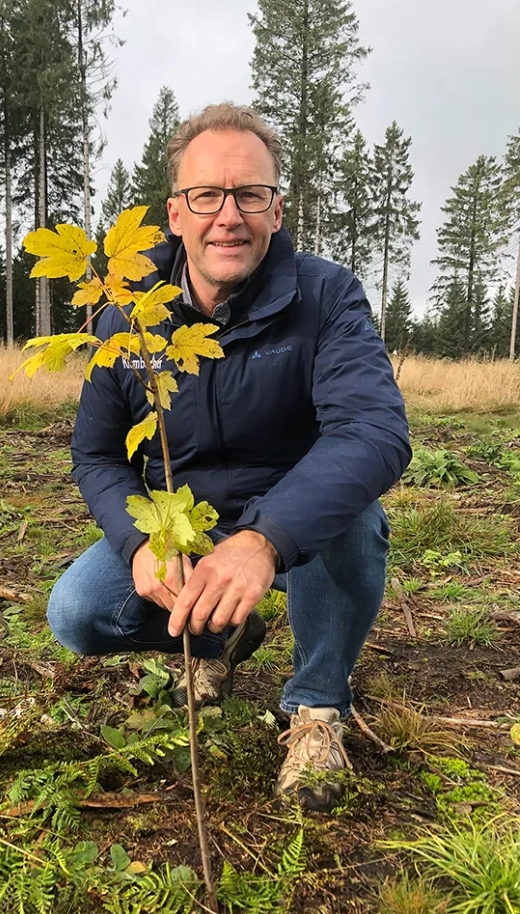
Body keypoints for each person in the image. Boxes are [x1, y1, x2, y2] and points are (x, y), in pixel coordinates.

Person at [47, 103, 411, 811]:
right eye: (207, 195)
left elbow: (373, 431)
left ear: (277, 210)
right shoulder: (130, 319)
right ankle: (223, 639)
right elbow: (95, 454)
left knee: (353, 519)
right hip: (184, 518)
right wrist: (136, 544)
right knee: (78, 612)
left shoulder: (327, 296)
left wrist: (265, 539)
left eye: (250, 195)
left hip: (297, 525)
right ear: (175, 215)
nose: (229, 216)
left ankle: (315, 707)